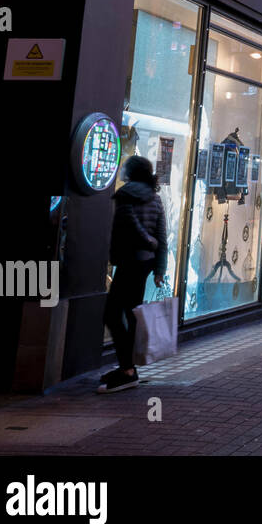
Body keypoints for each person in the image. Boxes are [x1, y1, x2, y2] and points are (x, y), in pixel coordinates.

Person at [99, 155, 168, 394]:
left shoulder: (126, 194)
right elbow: (163, 237)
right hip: (145, 265)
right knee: (130, 313)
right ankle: (127, 368)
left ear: (131, 172)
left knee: (112, 314)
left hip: (129, 261)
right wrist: (160, 269)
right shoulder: (155, 198)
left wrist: (146, 240)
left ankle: (127, 370)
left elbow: (129, 223)